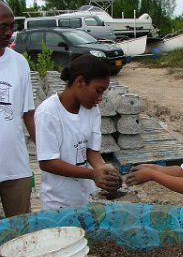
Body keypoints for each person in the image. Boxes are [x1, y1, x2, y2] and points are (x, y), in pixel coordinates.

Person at [35, 54, 122, 210]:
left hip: (85, 197)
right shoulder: (48, 113)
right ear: (80, 82)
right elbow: (47, 162)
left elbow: (91, 150)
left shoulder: (92, 110)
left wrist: (101, 169)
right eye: (98, 90)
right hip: (58, 202)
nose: (100, 98)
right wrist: (91, 174)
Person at [0, 0, 35, 218]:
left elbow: (28, 113)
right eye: (2, 27)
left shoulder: (19, 62)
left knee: (22, 233)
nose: (9, 32)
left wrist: (49, 152)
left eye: (11, 26)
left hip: (15, 168)